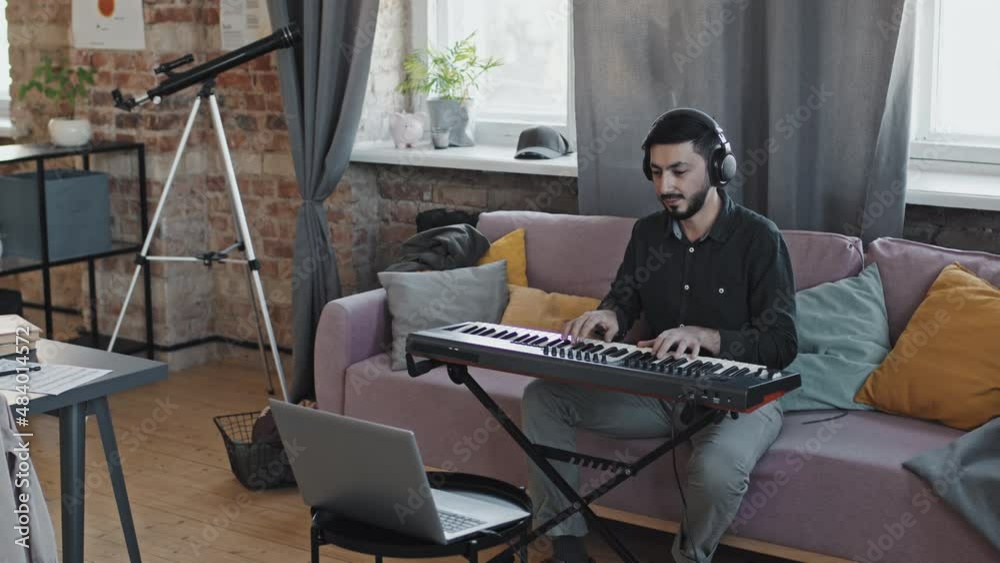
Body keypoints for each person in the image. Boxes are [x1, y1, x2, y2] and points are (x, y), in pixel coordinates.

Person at [522, 108, 798, 563]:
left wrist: (707, 337)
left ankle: (688, 558)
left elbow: (782, 344)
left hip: (742, 399)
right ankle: (567, 547)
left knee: (717, 469)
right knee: (543, 398)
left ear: (718, 168)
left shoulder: (759, 239)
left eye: (679, 171)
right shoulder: (648, 233)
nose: (665, 186)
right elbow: (624, 299)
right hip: (659, 391)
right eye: (655, 172)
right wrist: (610, 316)